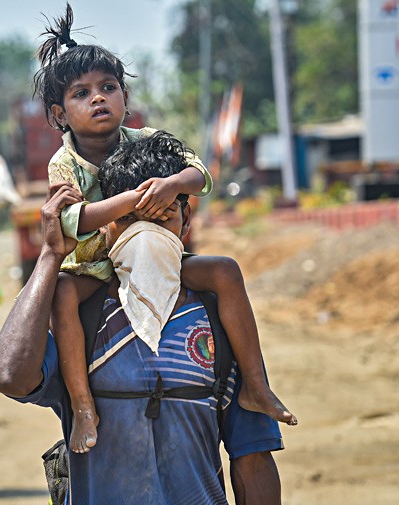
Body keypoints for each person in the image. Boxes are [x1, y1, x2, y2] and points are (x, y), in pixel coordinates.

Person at [34, 3, 294, 454]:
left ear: (124, 98)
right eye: (82, 94)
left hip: (156, 251)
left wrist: (172, 182)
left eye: (108, 88)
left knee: (225, 271)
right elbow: (71, 223)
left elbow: (201, 174)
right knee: (60, 294)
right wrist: (131, 200)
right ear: (60, 114)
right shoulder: (65, 162)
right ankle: (82, 405)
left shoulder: (145, 139)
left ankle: (254, 383)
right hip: (96, 265)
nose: (98, 98)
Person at [0, 132, 286, 505]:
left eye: (160, 218)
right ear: (105, 226)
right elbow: (8, 374)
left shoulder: (217, 317)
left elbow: (253, 458)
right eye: (127, 220)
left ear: (186, 219)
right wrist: (49, 256)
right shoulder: (80, 316)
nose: (144, 234)